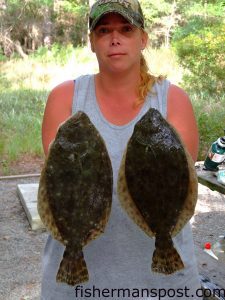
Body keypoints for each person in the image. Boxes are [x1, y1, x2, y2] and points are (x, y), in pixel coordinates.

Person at [40, 0, 202, 299]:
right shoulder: (65, 98)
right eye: (104, 30)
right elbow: (56, 184)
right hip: (75, 288)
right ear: (91, 42)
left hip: (166, 288)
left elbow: (183, 187)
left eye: (126, 29)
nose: (115, 38)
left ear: (143, 39)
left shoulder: (173, 100)